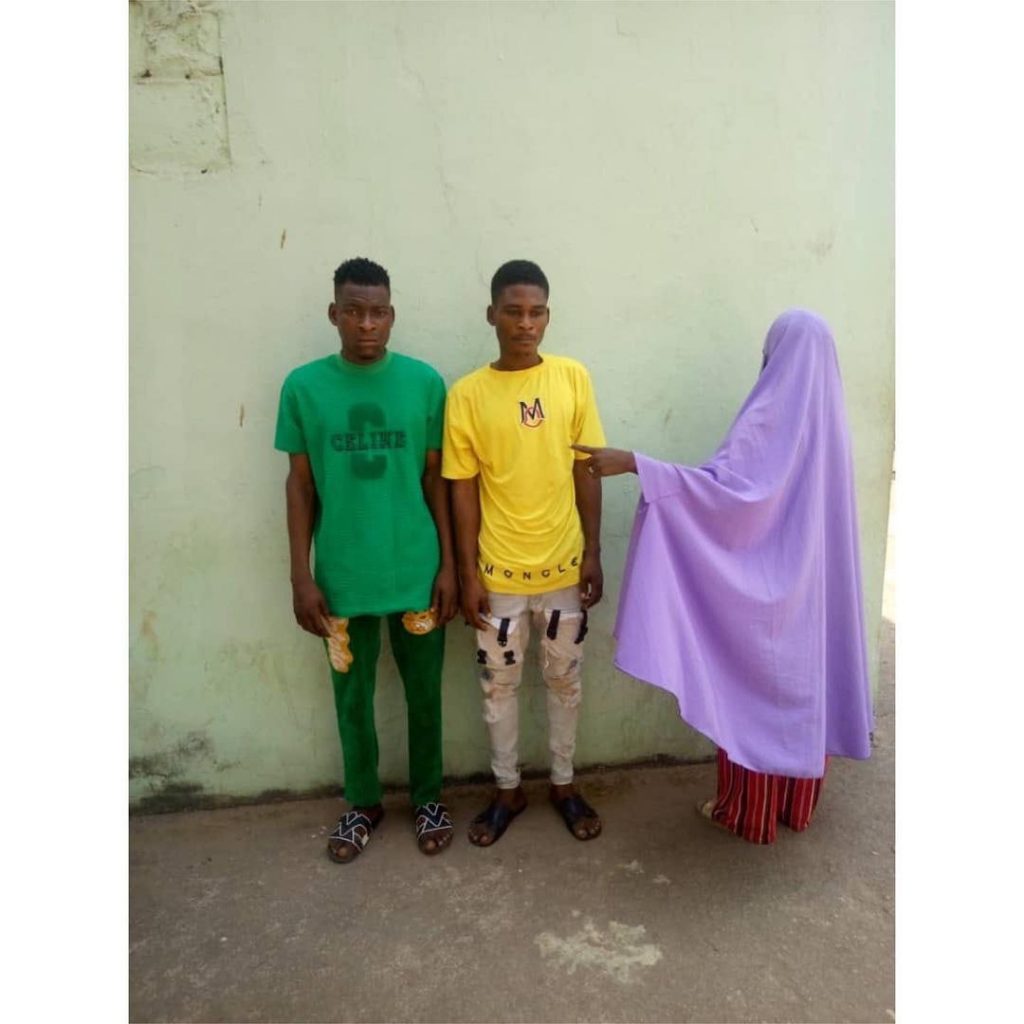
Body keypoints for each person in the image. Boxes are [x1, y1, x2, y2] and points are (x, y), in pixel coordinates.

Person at [574, 309, 873, 845]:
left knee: (749, 696)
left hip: (764, 597)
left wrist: (638, 463)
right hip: (814, 596)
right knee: (807, 688)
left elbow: (724, 494)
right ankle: (796, 807)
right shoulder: (833, 423)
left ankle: (747, 813)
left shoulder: (766, 416)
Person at [274, 257, 457, 863]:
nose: (366, 324)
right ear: (334, 314)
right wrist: (300, 575)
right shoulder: (303, 387)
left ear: (392, 315)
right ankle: (363, 803)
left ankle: (429, 799)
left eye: (378, 312)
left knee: (425, 693)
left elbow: (436, 480)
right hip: (343, 576)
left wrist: (449, 567)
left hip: (416, 569)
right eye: (353, 311)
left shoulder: (425, 383)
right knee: (351, 699)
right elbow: (300, 485)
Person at [443, 259, 606, 846]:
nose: (525, 323)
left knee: (566, 682)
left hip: (564, 569)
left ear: (548, 316)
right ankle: (507, 789)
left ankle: (563, 784)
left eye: (536, 312)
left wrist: (592, 552)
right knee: (498, 687)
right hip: (498, 575)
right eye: (513, 311)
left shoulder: (572, 378)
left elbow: (587, 468)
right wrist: (468, 575)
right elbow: (462, 489)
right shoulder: (467, 394)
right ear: (492, 315)